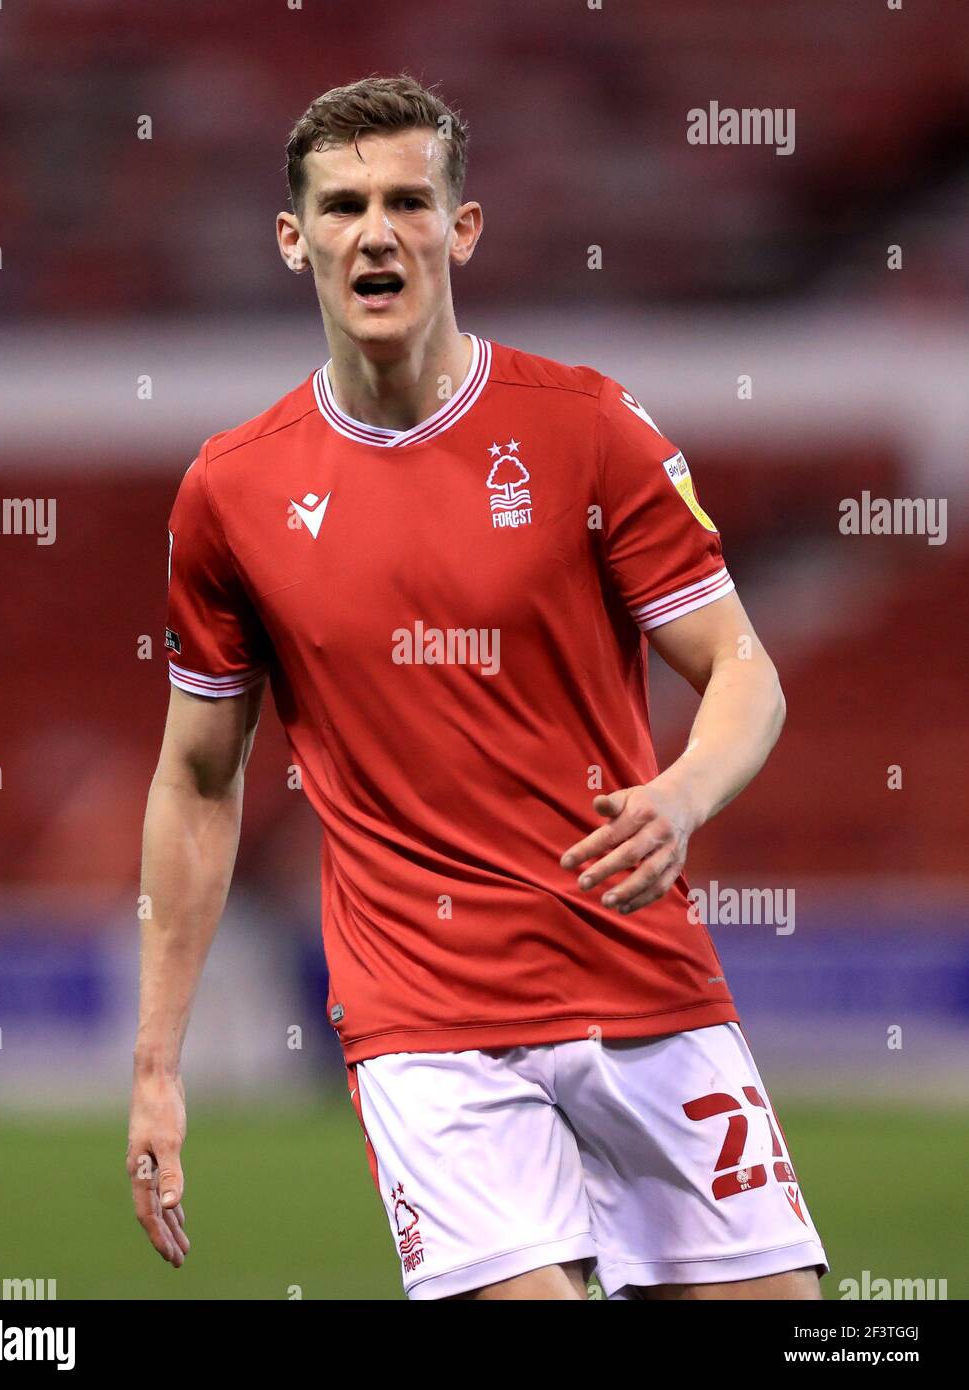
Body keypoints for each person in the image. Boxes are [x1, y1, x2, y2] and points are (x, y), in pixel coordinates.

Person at [128, 73, 828, 1302]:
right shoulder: (229, 494)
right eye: (343, 206)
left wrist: (681, 794)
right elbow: (196, 776)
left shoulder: (589, 429)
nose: (376, 231)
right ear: (295, 239)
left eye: (409, 199)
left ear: (463, 228)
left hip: (642, 985)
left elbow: (741, 670)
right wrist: (154, 1065)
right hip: (424, 1026)